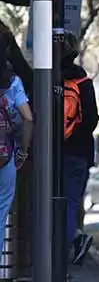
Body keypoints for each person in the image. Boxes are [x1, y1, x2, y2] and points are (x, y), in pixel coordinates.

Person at [61, 32, 99, 266]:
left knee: (50, 202)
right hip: (77, 152)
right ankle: (63, 256)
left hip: (50, 153)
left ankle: (73, 240)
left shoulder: (47, 78)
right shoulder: (83, 83)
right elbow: (92, 119)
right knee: (70, 203)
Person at [0, 34, 33, 257]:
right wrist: (22, 151)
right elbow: (28, 118)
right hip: (5, 154)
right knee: (1, 212)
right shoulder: (12, 82)